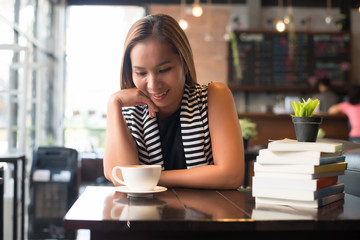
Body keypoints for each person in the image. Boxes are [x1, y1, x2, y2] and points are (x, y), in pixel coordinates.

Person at [103, 14, 244, 189]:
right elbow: (120, 178)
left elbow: (231, 175)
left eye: (164, 70)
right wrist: (113, 103)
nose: (153, 84)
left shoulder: (214, 96)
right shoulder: (127, 110)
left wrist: (149, 178)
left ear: (184, 63)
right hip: (146, 215)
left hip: (207, 215)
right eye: (141, 73)